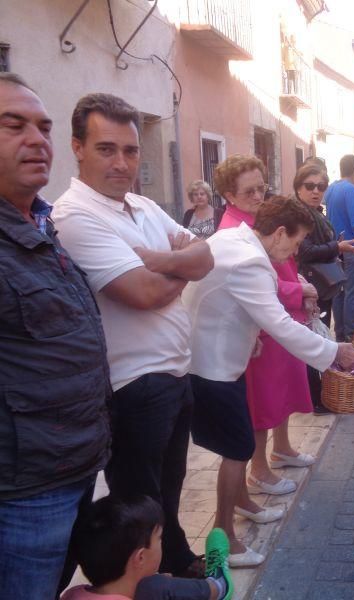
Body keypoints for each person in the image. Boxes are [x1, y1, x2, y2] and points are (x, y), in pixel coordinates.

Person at [53, 93, 213, 578]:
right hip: (132, 385)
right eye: (106, 149)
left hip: (173, 373)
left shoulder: (141, 204)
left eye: (130, 150)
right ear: (77, 148)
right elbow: (142, 294)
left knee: (169, 485)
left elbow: (205, 256)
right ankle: (149, 582)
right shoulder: (74, 216)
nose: (121, 163)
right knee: (137, 501)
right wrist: (178, 266)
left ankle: (175, 561)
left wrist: (158, 258)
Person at [183, 195, 354, 566]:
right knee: (237, 448)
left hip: (214, 357)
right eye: (295, 242)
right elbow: (279, 323)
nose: (295, 250)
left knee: (239, 444)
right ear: (280, 232)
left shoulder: (234, 239)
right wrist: (334, 353)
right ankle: (227, 540)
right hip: (213, 367)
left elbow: (230, 305)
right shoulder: (252, 261)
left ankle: (241, 506)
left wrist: (249, 339)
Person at [0, 73, 110, 598]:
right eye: (12, 125)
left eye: (43, 127)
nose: (37, 140)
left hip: (71, 469)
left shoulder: (39, 222)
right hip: (22, 494)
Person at [212, 155, 317, 503]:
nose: (259, 196)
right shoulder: (233, 230)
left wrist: (299, 284)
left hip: (285, 312)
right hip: (262, 326)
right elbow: (256, 286)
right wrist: (298, 291)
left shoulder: (261, 218)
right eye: (249, 191)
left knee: (282, 390)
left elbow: (284, 262)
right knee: (262, 402)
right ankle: (259, 468)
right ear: (229, 194)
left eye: (262, 187)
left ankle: (282, 448)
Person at [62, 496, 231, 600]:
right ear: (140, 557)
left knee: (155, 586)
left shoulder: (73, 594)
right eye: (159, 539)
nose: (161, 543)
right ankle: (219, 584)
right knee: (159, 586)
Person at [293, 163, 354, 414]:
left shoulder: (316, 213)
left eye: (320, 187)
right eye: (309, 186)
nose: (315, 191)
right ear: (298, 188)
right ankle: (316, 398)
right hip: (308, 285)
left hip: (322, 284)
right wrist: (337, 248)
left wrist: (337, 245)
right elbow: (305, 251)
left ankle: (321, 393)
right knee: (312, 339)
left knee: (320, 335)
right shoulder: (299, 216)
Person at [326, 154, 354, 342]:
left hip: (338, 246)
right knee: (353, 293)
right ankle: (353, 335)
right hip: (353, 247)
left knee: (339, 292)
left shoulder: (331, 188)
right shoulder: (351, 189)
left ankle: (341, 334)